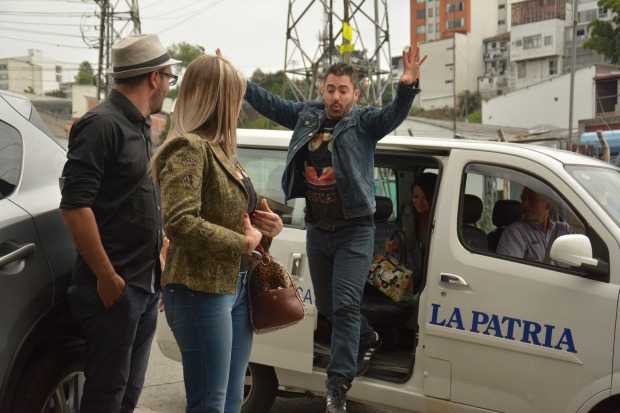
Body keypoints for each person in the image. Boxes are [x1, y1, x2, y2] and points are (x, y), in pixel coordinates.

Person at [244, 47, 426, 412]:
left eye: (343, 90)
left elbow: (393, 114)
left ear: (356, 93)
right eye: (330, 89)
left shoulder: (365, 123)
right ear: (321, 90)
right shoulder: (306, 115)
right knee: (328, 306)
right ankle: (367, 335)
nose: (336, 97)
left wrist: (406, 86)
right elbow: (272, 104)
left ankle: (337, 386)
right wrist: (240, 82)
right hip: (317, 229)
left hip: (354, 231)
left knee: (344, 306)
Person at [151, 53, 283, 413]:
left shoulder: (222, 151)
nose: (240, 106)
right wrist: (243, 242)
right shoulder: (188, 147)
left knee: (230, 400)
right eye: (236, 96)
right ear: (219, 99)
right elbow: (180, 221)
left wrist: (266, 229)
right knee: (210, 403)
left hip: (235, 286)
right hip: (200, 289)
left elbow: (234, 218)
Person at [59, 34, 179, 412]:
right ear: (154, 78)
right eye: (169, 77)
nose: (169, 86)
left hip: (143, 286)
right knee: (106, 395)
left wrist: (158, 259)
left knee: (128, 393)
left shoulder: (140, 125)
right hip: (115, 290)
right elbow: (75, 207)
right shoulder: (101, 124)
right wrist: (106, 276)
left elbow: (135, 199)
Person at [497, 187, 572, 263]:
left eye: (531, 199)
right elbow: (509, 268)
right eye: (523, 199)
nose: (524, 205)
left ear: (548, 204)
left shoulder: (564, 229)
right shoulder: (515, 233)